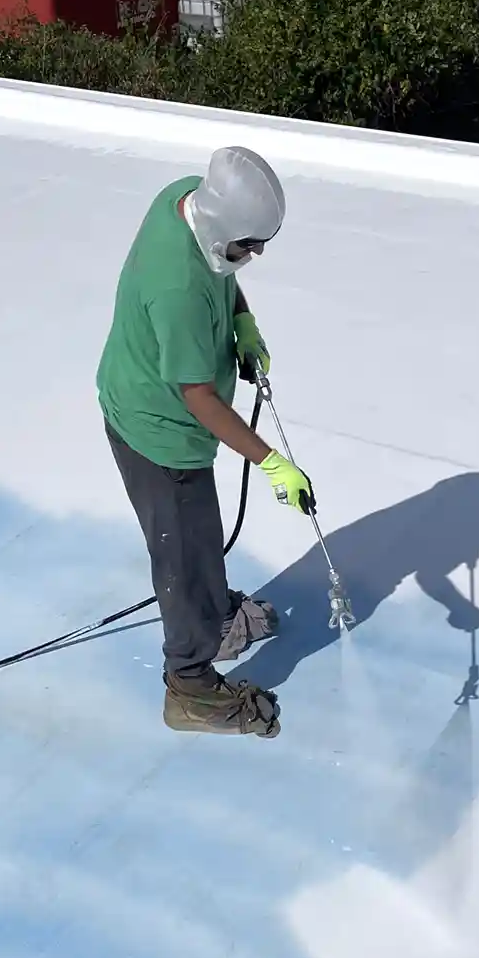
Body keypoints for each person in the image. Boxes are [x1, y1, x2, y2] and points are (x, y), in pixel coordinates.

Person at [97, 146, 314, 739]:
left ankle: (218, 616)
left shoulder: (190, 197)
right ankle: (189, 687)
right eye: (251, 245)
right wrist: (271, 462)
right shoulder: (177, 287)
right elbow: (198, 396)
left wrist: (241, 320)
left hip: (173, 417)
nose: (256, 256)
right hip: (157, 430)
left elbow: (223, 275)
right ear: (222, 229)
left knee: (202, 533)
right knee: (182, 559)